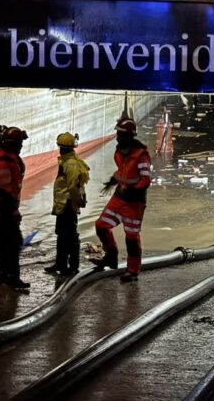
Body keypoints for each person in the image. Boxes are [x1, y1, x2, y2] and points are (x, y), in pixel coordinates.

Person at [94, 117, 152, 283]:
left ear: (129, 136)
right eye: (118, 133)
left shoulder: (141, 156)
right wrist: (114, 181)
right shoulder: (119, 153)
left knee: (132, 237)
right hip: (119, 198)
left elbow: (145, 180)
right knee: (101, 225)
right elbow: (123, 171)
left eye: (121, 134)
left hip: (134, 203)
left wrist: (132, 189)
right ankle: (111, 256)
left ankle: (132, 271)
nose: (118, 137)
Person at [0, 126, 29, 290]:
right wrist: (13, 210)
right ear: (13, 144)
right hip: (4, 207)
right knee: (12, 243)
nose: (21, 147)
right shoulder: (3, 161)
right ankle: (12, 278)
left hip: (0, 206)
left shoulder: (4, 158)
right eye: (19, 144)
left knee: (3, 242)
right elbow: (3, 190)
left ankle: (1, 274)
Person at [45, 132, 89, 277]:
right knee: (62, 234)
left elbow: (73, 187)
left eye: (61, 147)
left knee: (70, 235)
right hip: (63, 204)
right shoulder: (67, 161)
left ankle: (73, 266)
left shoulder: (70, 164)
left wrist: (77, 201)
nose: (60, 149)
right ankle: (61, 263)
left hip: (68, 204)